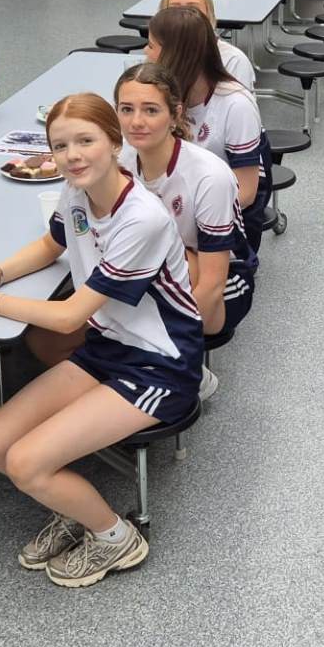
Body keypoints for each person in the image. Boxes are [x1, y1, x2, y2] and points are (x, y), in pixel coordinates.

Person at [0, 93, 204, 587]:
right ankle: (72, 508)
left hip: (159, 368)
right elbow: (51, 244)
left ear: (114, 142)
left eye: (85, 141)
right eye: (60, 146)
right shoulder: (77, 192)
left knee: (25, 463)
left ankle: (115, 537)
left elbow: (68, 318)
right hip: (106, 349)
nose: (72, 155)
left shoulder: (142, 219)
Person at [115, 61, 256, 400]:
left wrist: (180, 354)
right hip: (156, 271)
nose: (136, 121)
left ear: (176, 114)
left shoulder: (208, 176)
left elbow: (212, 283)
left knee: (181, 260)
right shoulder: (121, 162)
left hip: (222, 283)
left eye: (151, 110)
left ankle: (191, 371)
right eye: (126, 109)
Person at [147, 4, 268, 238]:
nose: (145, 52)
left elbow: (246, 193)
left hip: (223, 222)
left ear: (173, 54)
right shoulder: (167, 94)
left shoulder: (236, 105)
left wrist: (178, 227)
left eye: (151, 46)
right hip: (177, 211)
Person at [162, 0, 256, 91]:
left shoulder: (233, 60)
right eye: (174, 8)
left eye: (193, 9)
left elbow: (241, 101)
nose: (184, 16)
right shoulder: (155, 54)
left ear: (209, 14)